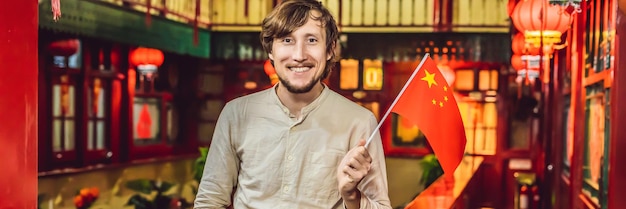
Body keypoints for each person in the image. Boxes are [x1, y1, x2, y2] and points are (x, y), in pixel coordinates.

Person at [194, 0, 391, 208]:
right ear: (271, 50)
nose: (299, 55)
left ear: (330, 49)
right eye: (287, 40)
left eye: (312, 40)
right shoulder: (236, 113)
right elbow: (210, 200)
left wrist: (352, 196)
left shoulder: (359, 121)